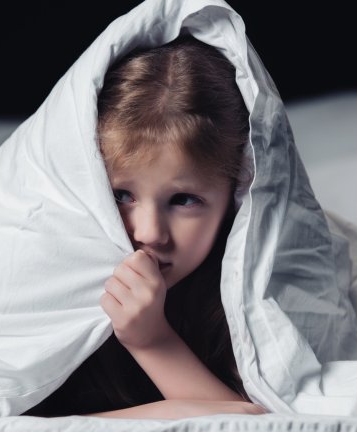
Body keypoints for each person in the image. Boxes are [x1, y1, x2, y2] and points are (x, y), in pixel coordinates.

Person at [24, 35, 265, 419]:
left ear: (233, 203)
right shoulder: (32, 276)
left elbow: (253, 424)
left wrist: (152, 341)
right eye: (121, 195)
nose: (150, 233)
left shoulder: (242, 295)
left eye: (185, 200)